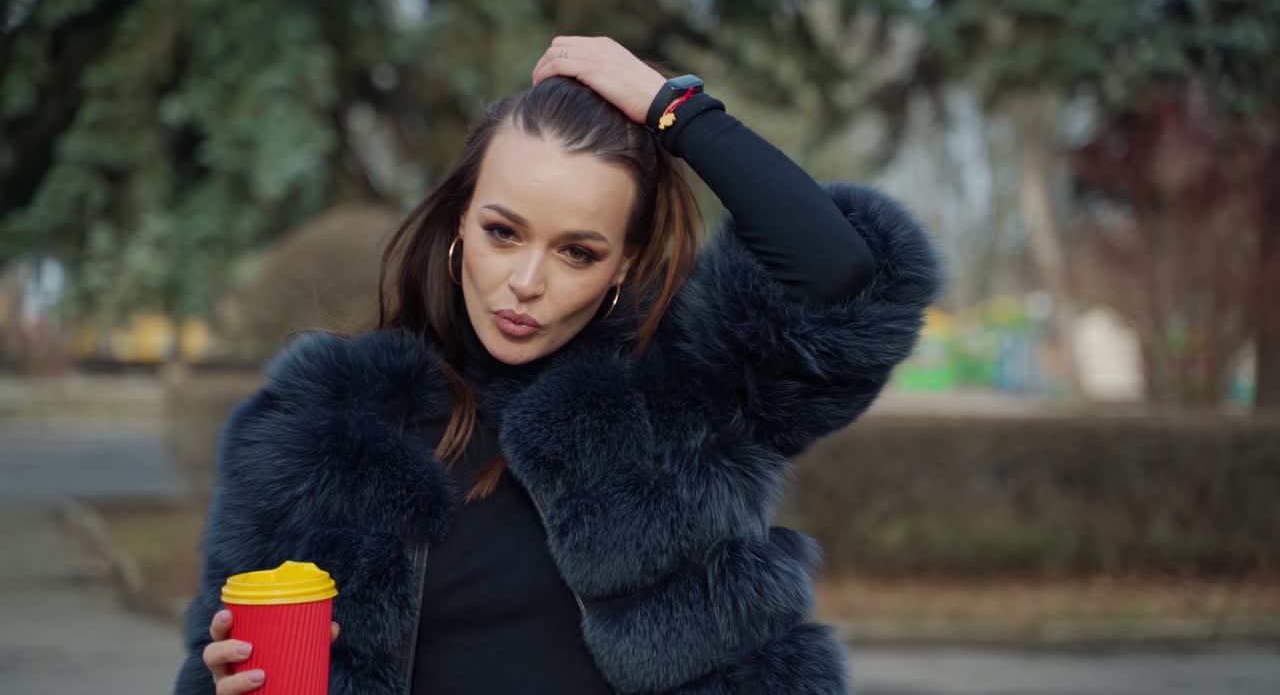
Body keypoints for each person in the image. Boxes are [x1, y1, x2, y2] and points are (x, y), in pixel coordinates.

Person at [175, 36, 939, 695]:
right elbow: (225, 665)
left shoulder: (684, 388)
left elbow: (842, 273)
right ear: (459, 228)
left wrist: (674, 110)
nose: (528, 282)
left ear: (621, 267)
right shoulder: (320, 425)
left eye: (577, 251)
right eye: (503, 232)